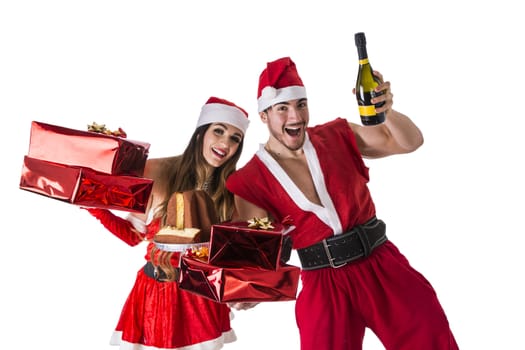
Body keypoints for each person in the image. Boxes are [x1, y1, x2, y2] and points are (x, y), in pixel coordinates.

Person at [226, 57, 459, 349]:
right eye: (282, 108)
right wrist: (248, 289)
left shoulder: (336, 135)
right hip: (324, 285)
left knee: (429, 336)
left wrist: (387, 111)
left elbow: (410, 142)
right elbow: (260, 253)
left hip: (381, 264)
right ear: (264, 115)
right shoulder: (249, 181)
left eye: (301, 105)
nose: (295, 117)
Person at [87, 96, 249, 350]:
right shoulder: (157, 171)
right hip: (155, 294)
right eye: (219, 131)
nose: (225, 143)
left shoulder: (234, 190)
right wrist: (93, 205)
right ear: (201, 134)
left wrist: (245, 287)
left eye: (235, 138)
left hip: (201, 299)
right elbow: (132, 236)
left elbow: (235, 253)